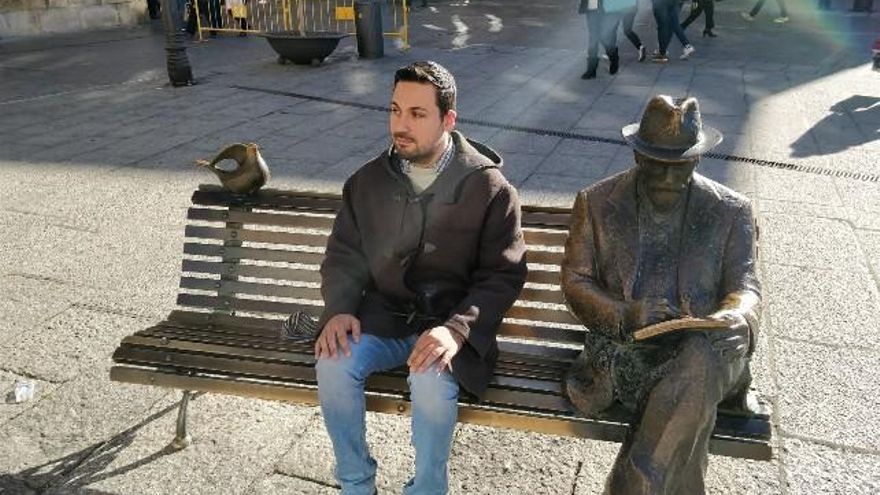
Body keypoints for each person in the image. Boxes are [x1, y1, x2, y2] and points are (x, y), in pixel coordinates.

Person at [314, 60, 528, 495]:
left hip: (450, 329)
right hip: (383, 319)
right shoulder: (366, 182)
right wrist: (339, 309)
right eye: (395, 110)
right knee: (333, 364)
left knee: (430, 387)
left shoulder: (489, 188)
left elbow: (502, 275)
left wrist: (457, 330)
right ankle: (356, 486)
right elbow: (344, 255)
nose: (401, 125)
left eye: (417, 114)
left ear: (448, 120)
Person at [562, 95, 762, 494]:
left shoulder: (731, 210)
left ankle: (634, 485)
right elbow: (575, 282)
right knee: (689, 398)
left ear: (697, 159)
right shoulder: (596, 203)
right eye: (657, 165)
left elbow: (745, 288)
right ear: (638, 155)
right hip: (625, 357)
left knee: (701, 359)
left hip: (706, 354)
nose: (669, 178)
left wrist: (739, 316)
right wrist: (625, 314)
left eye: (680, 165)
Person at [579, 0, 624, 79]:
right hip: (591, 9)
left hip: (606, 10)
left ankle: (613, 57)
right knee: (593, 38)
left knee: (605, 37)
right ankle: (591, 69)